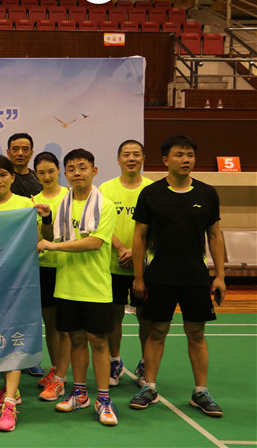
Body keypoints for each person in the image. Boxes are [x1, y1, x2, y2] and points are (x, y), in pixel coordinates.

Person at [129, 135, 225, 418]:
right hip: (159, 276)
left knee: (196, 333)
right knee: (156, 332)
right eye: (180, 155)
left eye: (190, 155)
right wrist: (138, 277)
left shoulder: (207, 194)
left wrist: (220, 276)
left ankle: (201, 391)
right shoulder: (151, 194)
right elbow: (139, 237)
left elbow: (215, 235)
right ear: (165, 160)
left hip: (195, 277)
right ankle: (149, 386)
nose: (186, 160)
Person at [36, 149, 119, 426]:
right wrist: (47, 219)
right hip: (66, 286)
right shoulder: (63, 204)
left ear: (94, 171)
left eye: (82, 167)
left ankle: (104, 399)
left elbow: (94, 242)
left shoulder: (105, 205)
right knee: (76, 340)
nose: (77, 173)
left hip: (95, 287)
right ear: (66, 174)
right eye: (71, 169)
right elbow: (51, 236)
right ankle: (80, 393)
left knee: (99, 342)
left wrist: (53, 246)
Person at [0, 155, 52, 432]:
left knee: (14, 338)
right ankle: (12, 390)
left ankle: (9, 405)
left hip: (19, 283)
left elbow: (43, 239)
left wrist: (46, 217)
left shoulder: (25, 205)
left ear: (12, 177)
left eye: (2, 175)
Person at [98, 140, 153, 387]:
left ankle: (146, 362)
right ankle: (115, 361)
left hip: (145, 266)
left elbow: (158, 226)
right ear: (118, 159)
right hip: (113, 264)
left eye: (136, 154)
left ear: (143, 158)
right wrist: (122, 249)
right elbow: (101, 225)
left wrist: (137, 252)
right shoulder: (106, 189)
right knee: (114, 316)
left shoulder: (153, 189)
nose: (131, 158)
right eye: (126, 154)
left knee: (146, 317)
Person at [33, 152, 71, 398]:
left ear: (58, 169)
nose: (47, 176)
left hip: (68, 266)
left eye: (50, 171)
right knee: (50, 323)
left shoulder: (70, 195)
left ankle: (62, 376)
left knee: (65, 325)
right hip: (43, 267)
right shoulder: (31, 200)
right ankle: (56, 371)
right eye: (41, 172)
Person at [0, 94, 43, 198]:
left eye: (25, 149)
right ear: (8, 153)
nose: (20, 153)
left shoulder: (39, 179)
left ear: (31, 154)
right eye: (15, 149)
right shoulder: (1, 172)